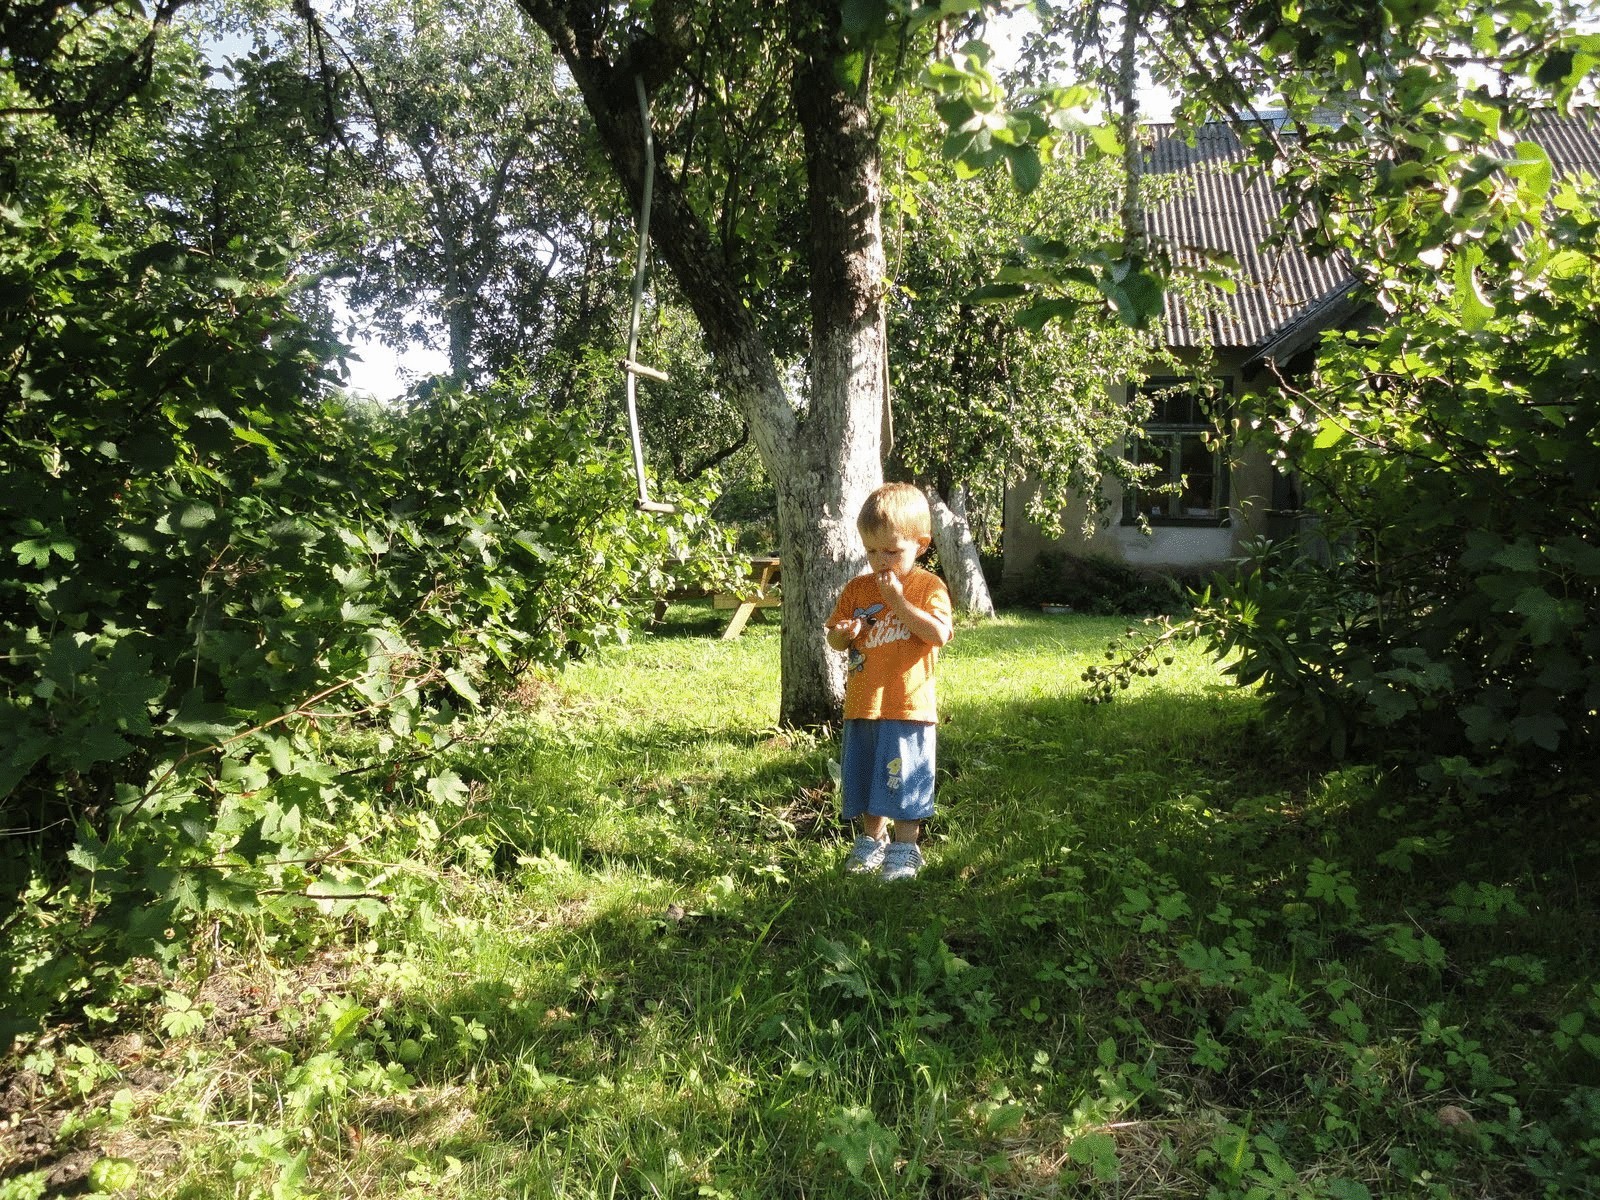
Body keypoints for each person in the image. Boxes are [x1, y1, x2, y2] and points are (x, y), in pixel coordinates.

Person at [824, 482, 954, 881]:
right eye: (871, 551)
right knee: (865, 774)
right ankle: (871, 841)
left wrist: (898, 602)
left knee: (904, 777)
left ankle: (905, 848)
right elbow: (833, 637)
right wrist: (843, 634)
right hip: (864, 703)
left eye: (892, 552)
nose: (880, 561)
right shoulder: (857, 590)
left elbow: (938, 634)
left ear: (921, 544)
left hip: (907, 707)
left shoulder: (927, 587)